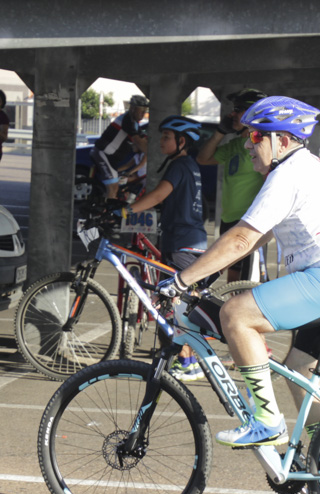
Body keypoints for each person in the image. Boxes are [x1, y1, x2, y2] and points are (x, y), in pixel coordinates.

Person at [157, 96, 320, 494]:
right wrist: (204, 272)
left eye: (254, 136)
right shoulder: (303, 169)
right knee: (302, 371)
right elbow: (257, 235)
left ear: (281, 140)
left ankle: (266, 422)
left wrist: (180, 280)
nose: (248, 145)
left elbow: (243, 237)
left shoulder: (289, 174)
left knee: (236, 314)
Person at [118, 115, 209, 381]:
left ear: (182, 142)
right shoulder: (188, 165)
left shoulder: (179, 166)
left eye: (167, 137)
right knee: (180, 301)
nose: (161, 141)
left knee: (179, 303)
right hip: (189, 240)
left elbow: (159, 194)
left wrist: (125, 211)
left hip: (182, 243)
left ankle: (188, 362)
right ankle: (185, 358)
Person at [196, 88, 268, 282]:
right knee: (232, 281)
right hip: (228, 220)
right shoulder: (237, 145)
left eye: (239, 109)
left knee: (249, 283)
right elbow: (203, 159)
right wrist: (220, 132)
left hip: (249, 222)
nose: (232, 114)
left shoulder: (262, 146)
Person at [91, 94, 149, 202]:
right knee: (113, 187)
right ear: (132, 109)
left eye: (145, 111)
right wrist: (154, 153)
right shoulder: (127, 120)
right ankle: (108, 216)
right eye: (141, 110)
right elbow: (138, 140)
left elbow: (143, 140)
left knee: (115, 188)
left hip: (111, 157)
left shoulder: (135, 123)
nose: (143, 114)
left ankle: (105, 210)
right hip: (103, 153)